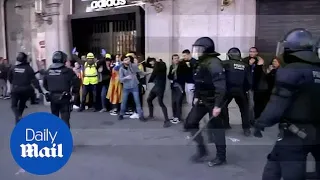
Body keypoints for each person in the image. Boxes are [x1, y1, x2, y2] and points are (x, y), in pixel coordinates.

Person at [253, 28, 320, 180]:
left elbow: (277, 104)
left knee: (292, 171)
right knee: (274, 163)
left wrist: (260, 123)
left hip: (295, 133)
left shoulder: (291, 70)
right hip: (316, 131)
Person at [184, 37, 227, 166]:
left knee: (217, 129)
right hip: (202, 99)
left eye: (199, 49)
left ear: (207, 49)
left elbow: (221, 86)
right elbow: (199, 81)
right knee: (190, 123)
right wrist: (197, 96)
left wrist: (218, 106)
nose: (197, 51)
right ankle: (202, 150)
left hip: (214, 101)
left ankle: (221, 157)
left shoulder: (214, 63)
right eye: (196, 49)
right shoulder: (201, 62)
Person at [43, 51, 80, 128]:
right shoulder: (68, 71)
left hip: (53, 97)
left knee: (54, 118)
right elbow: (76, 82)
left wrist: (51, 89)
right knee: (65, 119)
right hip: (64, 97)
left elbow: (45, 84)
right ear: (63, 60)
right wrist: (74, 93)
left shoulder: (48, 71)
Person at [221, 47, 252, 136]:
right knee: (244, 110)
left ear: (229, 55)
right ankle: (246, 129)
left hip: (228, 89)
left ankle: (225, 124)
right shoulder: (245, 65)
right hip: (240, 90)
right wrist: (244, 89)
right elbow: (249, 82)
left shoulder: (225, 63)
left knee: (223, 106)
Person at [8, 52, 43, 124]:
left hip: (16, 88)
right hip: (26, 89)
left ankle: (18, 116)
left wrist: (14, 83)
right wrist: (40, 90)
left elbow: (10, 78)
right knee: (22, 104)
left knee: (13, 106)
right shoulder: (28, 68)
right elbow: (34, 80)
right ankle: (18, 119)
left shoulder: (13, 68)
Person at [118, 56, 146, 121]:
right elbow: (120, 80)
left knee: (137, 101)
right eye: (125, 60)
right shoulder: (121, 69)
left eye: (128, 59)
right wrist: (126, 78)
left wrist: (148, 73)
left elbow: (140, 72)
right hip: (126, 87)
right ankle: (121, 114)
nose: (127, 61)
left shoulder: (133, 66)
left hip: (134, 86)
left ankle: (141, 116)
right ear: (123, 61)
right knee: (124, 102)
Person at [146, 57, 171, 128]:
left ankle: (167, 120)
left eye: (151, 62)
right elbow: (153, 72)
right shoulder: (156, 67)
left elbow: (159, 68)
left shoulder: (162, 65)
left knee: (161, 103)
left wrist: (158, 61)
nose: (151, 64)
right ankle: (151, 115)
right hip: (156, 87)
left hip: (160, 88)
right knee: (149, 99)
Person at [168, 54, 185, 124]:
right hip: (173, 87)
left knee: (178, 102)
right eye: (175, 58)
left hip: (180, 86)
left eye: (177, 58)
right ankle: (174, 116)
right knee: (173, 102)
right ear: (172, 60)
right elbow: (169, 76)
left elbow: (184, 75)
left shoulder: (181, 66)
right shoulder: (171, 66)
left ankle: (178, 117)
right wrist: (172, 72)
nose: (176, 59)